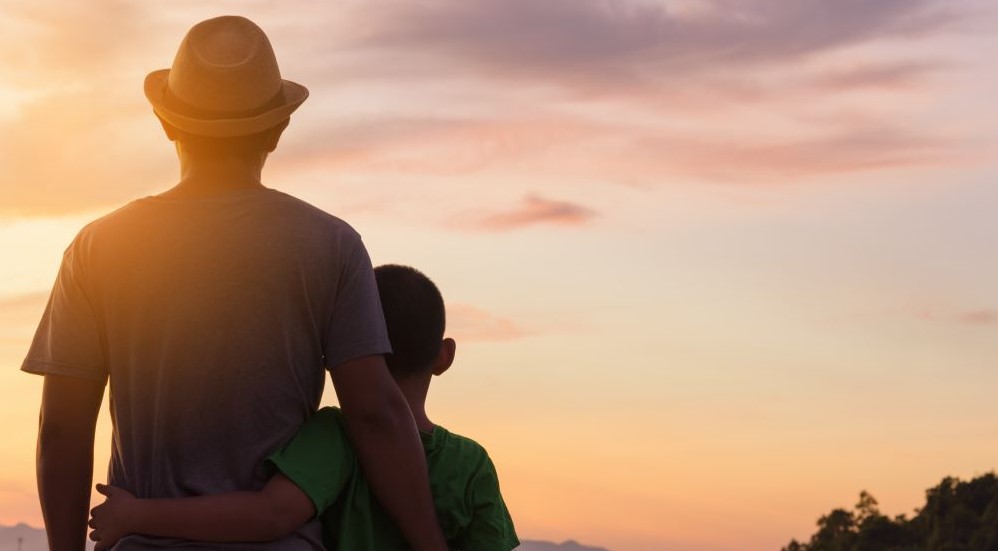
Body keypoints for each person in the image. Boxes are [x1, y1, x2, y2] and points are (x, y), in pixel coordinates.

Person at [22, 16, 447, 551]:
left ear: (167, 123)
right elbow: (374, 413)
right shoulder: (331, 245)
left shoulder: (99, 247)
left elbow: (61, 428)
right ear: (277, 129)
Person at [88, 264, 520, 551]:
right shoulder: (471, 464)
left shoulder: (333, 435)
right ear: (444, 355)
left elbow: (269, 515)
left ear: (336, 350)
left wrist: (136, 514)